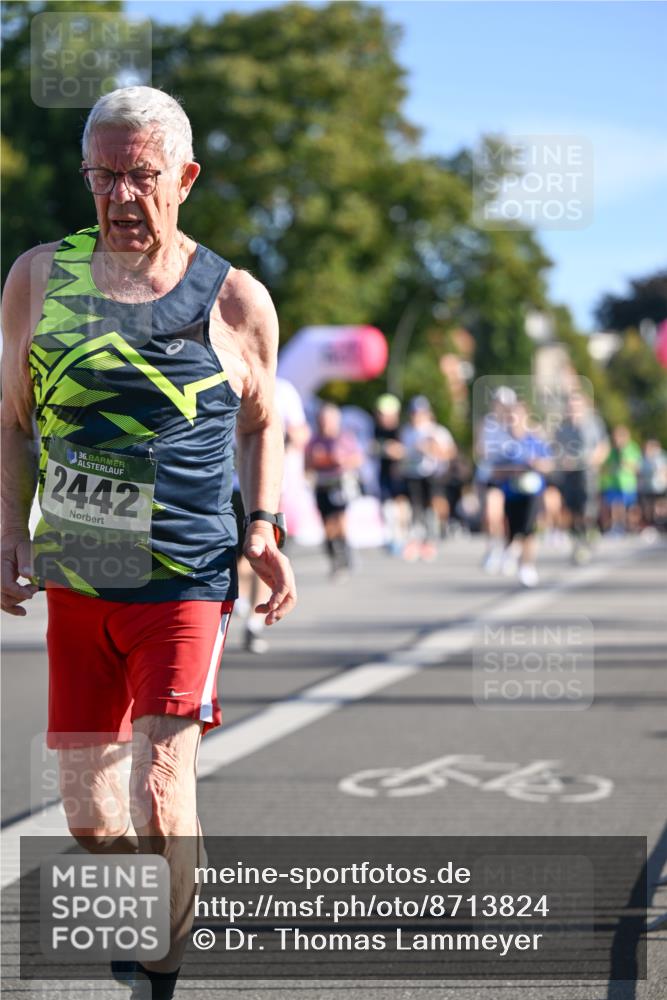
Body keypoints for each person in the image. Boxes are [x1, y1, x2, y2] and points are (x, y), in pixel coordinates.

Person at [0, 86, 296, 999]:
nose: (120, 196)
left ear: (186, 178)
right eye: (102, 177)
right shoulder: (39, 278)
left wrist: (263, 526)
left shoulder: (235, 298)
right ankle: (155, 895)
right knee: (91, 818)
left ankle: (161, 970)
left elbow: (263, 422)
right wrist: (9, 528)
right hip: (82, 572)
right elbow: (12, 420)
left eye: (141, 176)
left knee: (162, 787)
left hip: (185, 577)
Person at [233, 376, 310, 652]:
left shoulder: (284, 390)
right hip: (227, 485)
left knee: (261, 551)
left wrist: (274, 438)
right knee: (235, 558)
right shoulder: (227, 372)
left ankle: (253, 623)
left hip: (267, 488)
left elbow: (301, 433)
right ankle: (239, 599)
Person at [492, 401, 553, 587]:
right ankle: (512, 555)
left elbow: (548, 465)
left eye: (518, 416)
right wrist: (513, 470)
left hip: (532, 493)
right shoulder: (503, 443)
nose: (514, 420)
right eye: (511, 416)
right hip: (511, 493)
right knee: (512, 531)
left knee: (529, 530)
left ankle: (527, 566)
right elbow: (494, 471)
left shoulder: (534, 441)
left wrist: (535, 464)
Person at [305, 401, 364, 577]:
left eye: (328, 420)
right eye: (322, 420)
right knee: (327, 525)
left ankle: (346, 554)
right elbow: (307, 464)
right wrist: (316, 461)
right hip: (322, 485)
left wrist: (342, 461)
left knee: (340, 520)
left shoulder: (344, 437)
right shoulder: (314, 440)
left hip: (340, 484)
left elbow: (358, 458)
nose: (325, 424)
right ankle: (334, 557)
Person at [554, 390, 609, 563]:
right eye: (570, 404)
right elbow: (556, 449)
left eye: (576, 403)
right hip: (570, 473)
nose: (573, 407)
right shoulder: (562, 427)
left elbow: (603, 446)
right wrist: (563, 460)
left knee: (587, 507)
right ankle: (578, 542)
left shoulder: (593, 423)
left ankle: (589, 533)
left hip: (588, 472)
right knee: (572, 509)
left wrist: (594, 460)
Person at [399, 396, 456, 562]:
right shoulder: (407, 431)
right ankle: (416, 540)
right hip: (412, 474)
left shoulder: (437, 431)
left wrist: (431, 448)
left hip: (432, 474)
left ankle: (431, 540)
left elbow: (450, 453)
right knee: (415, 508)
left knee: (432, 507)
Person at [475, 386, 516, 573]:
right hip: (492, 476)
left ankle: (509, 551)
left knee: (509, 518)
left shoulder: (515, 424)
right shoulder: (487, 423)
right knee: (491, 515)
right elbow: (480, 450)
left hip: (511, 477)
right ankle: (493, 548)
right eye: (498, 403)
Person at [371, 393, 409, 554]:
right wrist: (386, 448)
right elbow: (371, 447)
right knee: (387, 507)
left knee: (401, 505)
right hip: (383, 474)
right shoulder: (375, 430)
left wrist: (394, 450)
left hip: (401, 475)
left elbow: (403, 451)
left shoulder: (402, 430)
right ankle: (392, 537)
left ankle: (402, 537)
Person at [600, 425, 642, 534]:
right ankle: (617, 527)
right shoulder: (612, 450)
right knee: (616, 506)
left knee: (631, 507)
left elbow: (636, 467)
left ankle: (632, 527)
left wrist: (624, 460)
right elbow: (605, 465)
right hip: (613, 483)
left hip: (628, 484)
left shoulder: (632, 448)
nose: (617, 440)